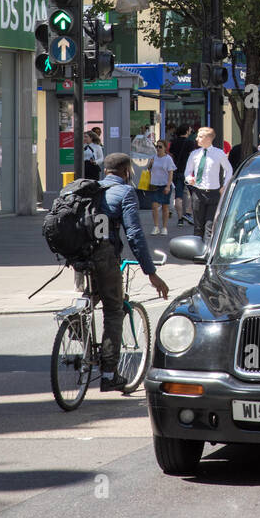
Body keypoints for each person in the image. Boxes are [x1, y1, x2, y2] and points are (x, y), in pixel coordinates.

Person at [94, 153, 169, 390]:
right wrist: (151, 271)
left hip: (79, 256)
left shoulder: (90, 190)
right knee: (114, 310)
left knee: (88, 300)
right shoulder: (126, 192)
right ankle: (108, 374)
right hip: (105, 259)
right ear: (127, 170)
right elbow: (134, 235)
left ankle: (77, 327)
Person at [185, 127, 233, 244]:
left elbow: (229, 170)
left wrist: (225, 186)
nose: (197, 139)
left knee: (210, 225)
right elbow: (187, 171)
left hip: (213, 193)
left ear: (208, 138)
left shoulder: (218, 153)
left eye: (200, 136)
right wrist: (189, 179)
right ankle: (197, 250)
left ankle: (207, 251)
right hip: (198, 192)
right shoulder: (194, 154)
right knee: (198, 225)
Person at [168, 124, 196, 226]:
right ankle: (188, 213)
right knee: (194, 193)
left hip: (177, 171)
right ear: (186, 131)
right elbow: (192, 157)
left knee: (178, 195)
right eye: (189, 129)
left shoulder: (174, 142)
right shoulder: (190, 143)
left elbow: (171, 155)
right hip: (187, 171)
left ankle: (180, 219)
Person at [148, 140, 176, 236]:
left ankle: (164, 227)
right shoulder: (153, 157)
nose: (158, 149)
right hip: (154, 184)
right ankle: (156, 226)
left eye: (160, 147)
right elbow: (149, 170)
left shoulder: (168, 159)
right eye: (157, 146)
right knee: (154, 206)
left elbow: (170, 173)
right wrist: (150, 164)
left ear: (165, 148)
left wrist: (168, 186)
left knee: (165, 207)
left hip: (164, 184)